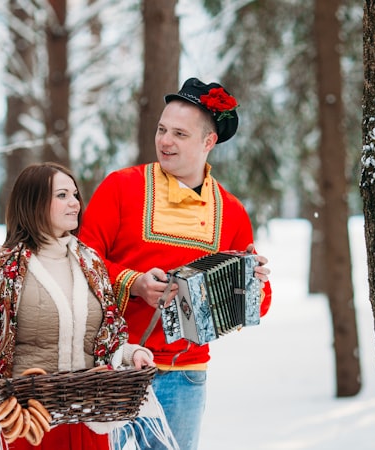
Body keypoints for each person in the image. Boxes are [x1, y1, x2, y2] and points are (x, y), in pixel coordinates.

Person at [78, 77, 273, 450]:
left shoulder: (231, 212)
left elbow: (257, 305)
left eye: (180, 134)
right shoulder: (120, 187)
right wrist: (133, 283)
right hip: (113, 368)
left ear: (208, 142)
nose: (165, 141)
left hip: (185, 376)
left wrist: (253, 284)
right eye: (162, 129)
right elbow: (82, 263)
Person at [0, 162, 156, 450]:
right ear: (34, 202)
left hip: (89, 421)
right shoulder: (3, 265)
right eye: (62, 195)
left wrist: (132, 352)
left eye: (75, 195)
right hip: (28, 423)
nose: (74, 203)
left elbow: (106, 340)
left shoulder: (91, 262)